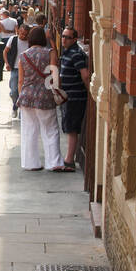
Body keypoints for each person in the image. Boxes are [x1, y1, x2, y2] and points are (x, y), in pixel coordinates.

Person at [17, 27, 65, 172]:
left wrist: (21, 96)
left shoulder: (23, 56)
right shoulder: (49, 53)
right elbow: (54, 74)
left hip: (26, 96)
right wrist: (56, 90)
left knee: (29, 130)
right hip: (45, 96)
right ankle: (54, 162)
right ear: (43, 39)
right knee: (50, 129)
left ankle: (30, 163)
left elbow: (20, 80)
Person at [58, 27, 90, 170]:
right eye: (63, 36)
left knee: (72, 128)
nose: (64, 39)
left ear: (75, 39)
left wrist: (90, 91)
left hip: (75, 97)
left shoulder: (76, 54)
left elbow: (85, 74)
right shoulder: (67, 52)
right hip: (68, 96)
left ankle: (69, 160)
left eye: (67, 37)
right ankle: (70, 157)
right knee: (69, 126)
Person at [4, 23, 30, 114]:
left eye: (26, 34)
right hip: (14, 68)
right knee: (14, 91)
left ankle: (21, 109)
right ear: (18, 31)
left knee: (24, 91)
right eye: (22, 33)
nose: (23, 36)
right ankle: (15, 105)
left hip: (27, 69)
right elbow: (5, 51)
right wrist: (7, 63)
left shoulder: (30, 42)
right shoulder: (13, 39)